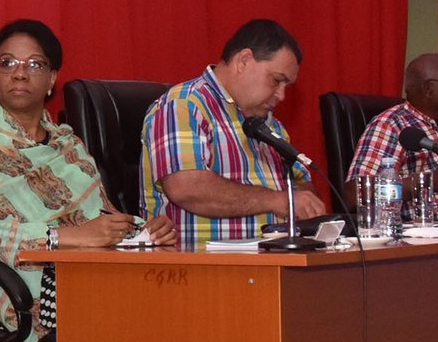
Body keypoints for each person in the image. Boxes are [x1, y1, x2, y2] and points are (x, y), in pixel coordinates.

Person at [0, 19, 176, 342]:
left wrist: (144, 229)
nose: (19, 71)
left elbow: (101, 217)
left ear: (51, 79)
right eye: (7, 62)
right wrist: (65, 238)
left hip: (94, 271)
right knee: (138, 322)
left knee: (187, 301)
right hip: (19, 286)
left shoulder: (68, 143)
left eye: (34, 64)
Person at [140, 19, 327, 246]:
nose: (281, 95)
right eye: (276, 80)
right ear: (244, 61)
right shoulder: (184, 105)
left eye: (286, 86)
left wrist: (303, 199)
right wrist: (278, 200)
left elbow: (302, 185)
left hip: (269, 264)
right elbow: (187, 188)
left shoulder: (270, 125)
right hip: (202, 268)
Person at [346, 53, 438, 205]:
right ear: (429, 89)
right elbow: (354, 194)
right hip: (418, 226)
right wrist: (427, 182)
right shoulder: (393, 125)